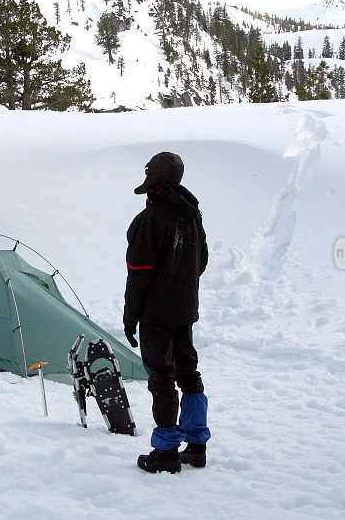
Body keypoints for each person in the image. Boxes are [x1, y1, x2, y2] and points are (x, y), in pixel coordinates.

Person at [123, 151, 210, 474]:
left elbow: (139, 273)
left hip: (156, 314)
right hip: (185, 310)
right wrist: (181, 291)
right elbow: (200, 262)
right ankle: (197, 445)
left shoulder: (149, 220)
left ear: (154, 178)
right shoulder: (192, 215)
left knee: (162, 378)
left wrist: (131, 315)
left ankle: (166, 452)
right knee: (189, 373)